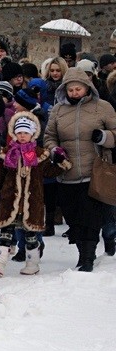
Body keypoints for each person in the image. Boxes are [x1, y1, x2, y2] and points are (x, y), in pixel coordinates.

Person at [43, 67, 116, 272]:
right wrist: (53, 150)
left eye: (78, 89)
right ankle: (82, 251)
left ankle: (87, 258)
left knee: (90, 217)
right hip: (67, 172)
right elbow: (49, 136)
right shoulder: (58, 110)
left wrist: (103, 137)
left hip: (95, 171)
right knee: (73, 218)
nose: (75, 93)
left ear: (87, 88)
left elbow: (115, 132)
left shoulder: (103, 107)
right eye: (71, 90)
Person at [0, 112, 72, 276]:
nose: (22, 136)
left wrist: (61, 163)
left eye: (26, 132)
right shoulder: (8, 153)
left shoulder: (40, 155)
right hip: (10, 201)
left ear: (33, 134)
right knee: (5, 233)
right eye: (19, 132)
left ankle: (32, 264)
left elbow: (50, 172)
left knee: (31, 235)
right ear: (14, 133)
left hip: (32, 202)